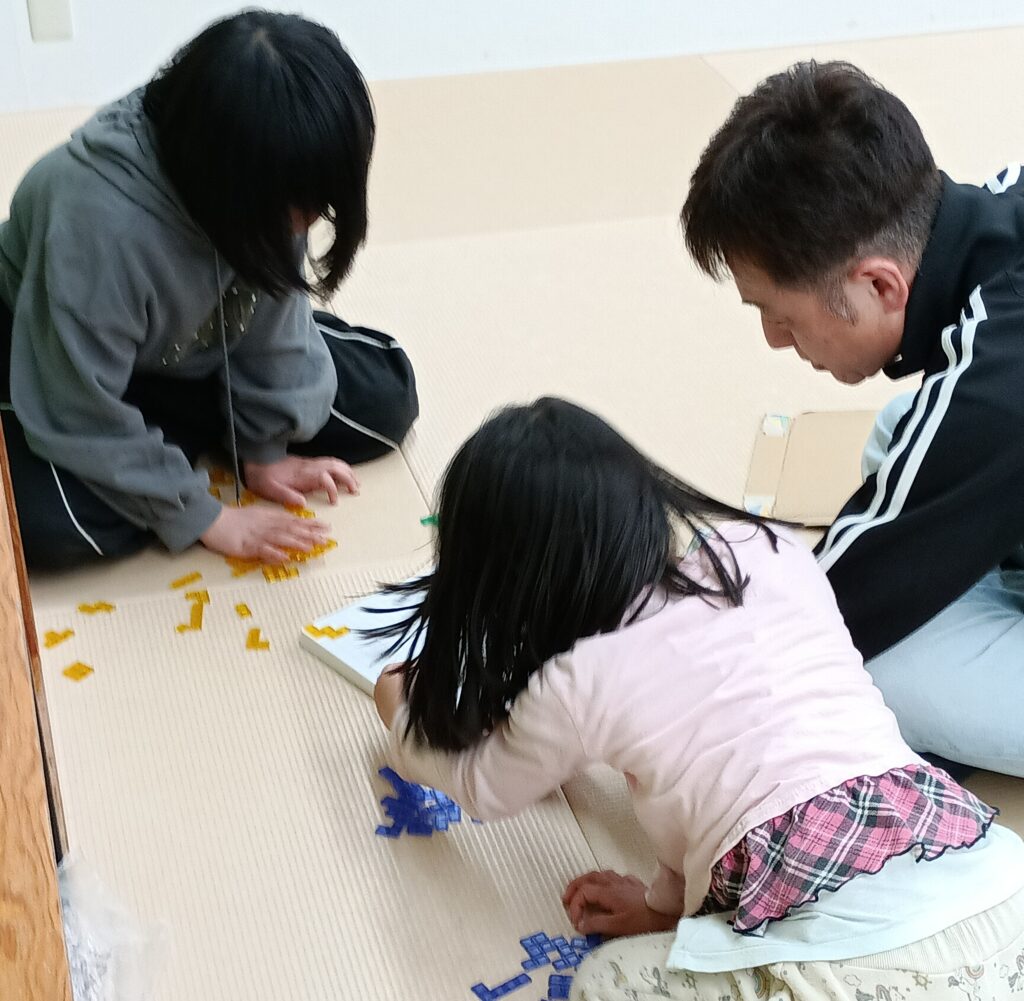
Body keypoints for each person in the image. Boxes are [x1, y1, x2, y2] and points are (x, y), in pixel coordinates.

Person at [371, 397, 1024, 1000]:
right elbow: (710, 776)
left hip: (870, 964)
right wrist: (660, 906)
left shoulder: (578, 679)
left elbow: (481, 784)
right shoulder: (764, 549)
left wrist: (401, 713)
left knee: (605, 980)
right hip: (991, 881)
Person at [681, 60, 1024, 778]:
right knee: (902, 431)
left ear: (878, 283)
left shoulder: (999, 382)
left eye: (780, 315)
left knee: (865, 670)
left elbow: (815, 625)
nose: (775, 339)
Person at [0, 10, 418, 571]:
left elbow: (271, 303)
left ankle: (175, 438)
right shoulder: (96, 221)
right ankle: (167, 442)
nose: (312, 219)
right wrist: (206, 517)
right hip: (61, 359)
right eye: (302, 206)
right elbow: (76, 407)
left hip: (194, 343)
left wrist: (265, 451)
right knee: (53, 527)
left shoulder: (263, 167)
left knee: (387, 398)